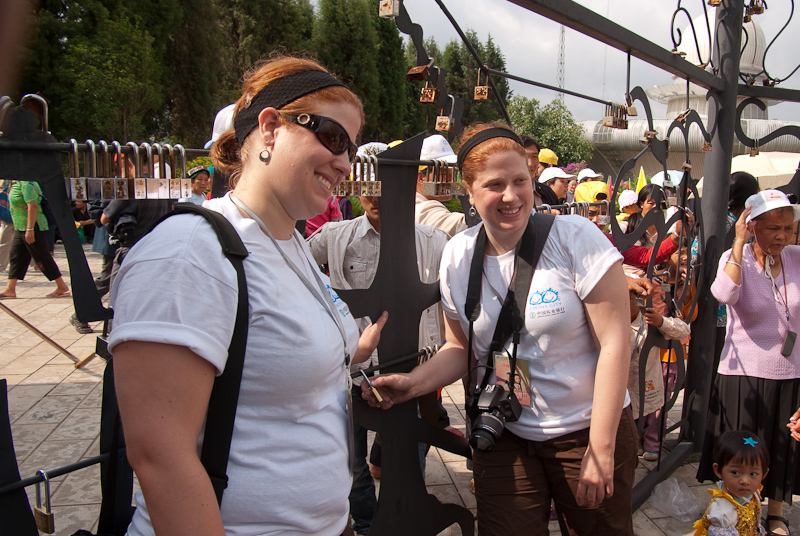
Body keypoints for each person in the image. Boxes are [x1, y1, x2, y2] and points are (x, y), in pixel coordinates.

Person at [109, 56, 387, 536]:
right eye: (334, 138)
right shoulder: (190, 254)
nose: (345, 162)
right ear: (272, 126)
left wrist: (350, 355)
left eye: (351, 147)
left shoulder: (289, 242)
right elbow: (160, 458)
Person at [363, 123, 636, 535]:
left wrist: (600, 448)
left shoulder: (574, 237)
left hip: (585, 430)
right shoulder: (458, 253)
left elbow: (616, 343)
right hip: (505, 428)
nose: (511, 196)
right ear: (468, 192)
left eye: (520, 181)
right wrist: (413, 383)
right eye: (494, 185)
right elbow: (460, 348)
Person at [308, 142, 448, 535]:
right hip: (352, 371)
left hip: (415, 371)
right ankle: (369, 522)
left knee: (410, 455)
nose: (375, 196)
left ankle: (405, 521)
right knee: (350, 463)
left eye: (384, 184)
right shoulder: (335, 237)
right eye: (367, 184)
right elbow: (291, 264)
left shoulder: (434, 242)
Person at [697, 190, 800, 536]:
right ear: (752, 225)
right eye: (773, 228)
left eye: (789, 228)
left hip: (790, 371)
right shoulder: (735, 257)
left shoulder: (797, 258)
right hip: (743, 374)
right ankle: (737, 512)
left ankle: (775, 513)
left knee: (782, 445)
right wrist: (739, 243)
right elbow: (723, 295)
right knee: (744, 451)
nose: (783, 236)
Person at [0, 180, 70, 299]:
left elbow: (32, 206)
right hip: (20, 226)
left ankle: (62, 286)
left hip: (33, 226)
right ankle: (10, 289)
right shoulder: (15, 183)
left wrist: (30, 229)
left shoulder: (27, 183)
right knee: (16, 256)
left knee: (42, 256)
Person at [694, 430, 769, 536]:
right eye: (735, 472)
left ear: (764, 474)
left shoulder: (752, 493)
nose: (745, 481)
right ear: (718, 470)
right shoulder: (722, 511)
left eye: (753, 474)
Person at [413, 134, 467, 238]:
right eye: (444, 173)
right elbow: (467, 224)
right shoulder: (422, 210)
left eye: (453, 172)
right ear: (420, 178)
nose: (450, 179)